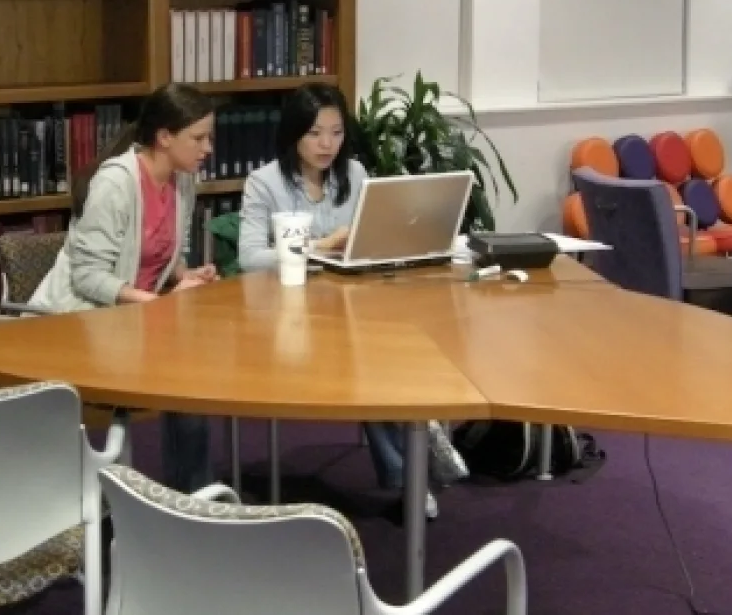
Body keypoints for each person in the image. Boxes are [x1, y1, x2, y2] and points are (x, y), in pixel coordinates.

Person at [237, 81, 445, 521]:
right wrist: (321, 245)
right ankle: (416, 465)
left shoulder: (355, 174)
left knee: (395, 352)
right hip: (289, 317)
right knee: (368, 359)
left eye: (336, 132)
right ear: (294, 133)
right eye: (315, 133)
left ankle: (413, 469)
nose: (327, 144)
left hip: (349, 310)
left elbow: (371, 240)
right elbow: (250, 257)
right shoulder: (265, 183)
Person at [27, 82, 220, 493]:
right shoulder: (115, 183)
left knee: (195, 370)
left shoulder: (184, 181)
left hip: (130, 321)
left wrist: (184, 276)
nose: (208, 148)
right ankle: (176, 495)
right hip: (77, 322)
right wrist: (154, 303)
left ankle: (193, 498)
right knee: (185, 370)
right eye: (199, 138)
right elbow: (87, 276)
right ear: (164, 137)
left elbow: (158, 251)